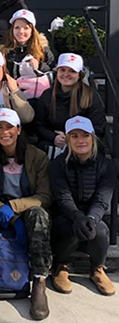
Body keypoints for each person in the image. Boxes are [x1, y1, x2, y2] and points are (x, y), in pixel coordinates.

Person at [0, 108, 52, 320]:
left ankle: (39, 280)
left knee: (39, 216)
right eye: (0, 128)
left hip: (25, 208)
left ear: (19, 129)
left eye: (9, 127)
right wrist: (3, 210)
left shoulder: (37, 156)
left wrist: (15, 209)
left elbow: (44, 195)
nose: (5, 132)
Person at [50, 116, 116, 296]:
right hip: (66, 215)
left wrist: (92, 219)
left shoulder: (106, 165)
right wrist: (78, 217)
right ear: (68, 139)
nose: (80, 141)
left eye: (85, 135)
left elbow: (103, 198)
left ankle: (97, 269)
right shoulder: (58, 165)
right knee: (68, 229)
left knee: (101, 231)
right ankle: (60, 267)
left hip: (93, 214)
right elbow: (62, 197)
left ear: (93, 137)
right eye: (74, 136)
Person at [34, 53, 106, 155]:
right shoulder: (47, 95)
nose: (66, 74)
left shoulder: (90, 96)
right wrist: (53, 137)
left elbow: (98, 128)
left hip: (83, 145)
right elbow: (38, 125)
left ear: (79, 75)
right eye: (62, 70)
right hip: (54, 145)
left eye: (72, 71)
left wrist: (74, 139)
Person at [0, 9, 55, 80]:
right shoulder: (3, 51)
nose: (21, 31)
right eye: (17, 28)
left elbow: (54, 72)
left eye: (26, 28)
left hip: (36, 89)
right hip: (10, 89)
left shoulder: (43, 49)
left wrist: (40, 66)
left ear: (32, 30)